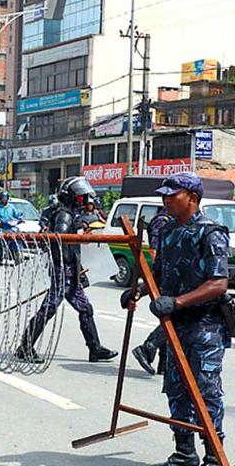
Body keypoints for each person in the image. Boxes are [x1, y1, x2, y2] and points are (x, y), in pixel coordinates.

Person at [124, 173, 229, 465]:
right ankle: (184, 453)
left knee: (205, 393)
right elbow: (159, 274)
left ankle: (213, 455)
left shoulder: (211, 232)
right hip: (173, 327)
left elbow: (218, 283)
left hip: (204, 327)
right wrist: (139, 292)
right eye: (164, 195)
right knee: (176, 389)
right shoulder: (168, 231)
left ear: (192, 198)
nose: (165, 200)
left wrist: (178, 302)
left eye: (173, 195)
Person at [16, 177, 118, 363]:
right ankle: (25, 348)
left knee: (85, 309)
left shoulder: (70, 213)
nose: (84, 200)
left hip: (70, 269)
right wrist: (76, 249)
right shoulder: (64, 215)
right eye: (80, 197)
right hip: (63, 269)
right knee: (49, 308)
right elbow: (60, 239)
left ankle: (95, 349)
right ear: (71, 197)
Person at [131, 209, 172, 375]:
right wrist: (165, 274)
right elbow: (154, 251)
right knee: (173, 317)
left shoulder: (174, 220)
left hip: (171, 274)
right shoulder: (161, 220)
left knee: (168, 316)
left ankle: (164, 363)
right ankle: (148, 347)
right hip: (166, 276)